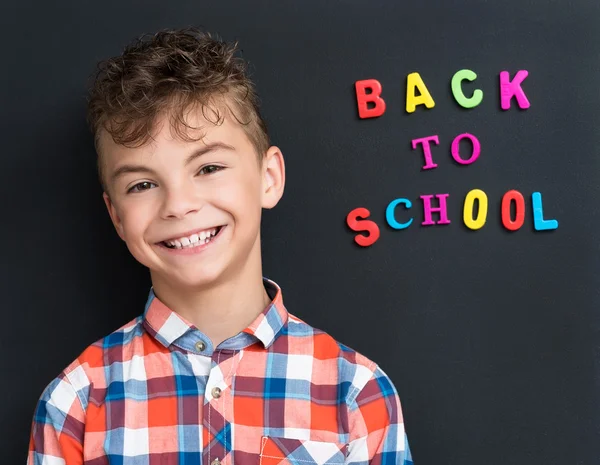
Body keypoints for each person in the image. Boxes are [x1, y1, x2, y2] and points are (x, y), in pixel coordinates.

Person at [26, 27, 414, 465]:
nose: (179, 205)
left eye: (208, 167)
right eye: (142, 184)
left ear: (268, 178)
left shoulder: (356, 393)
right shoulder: (75, 402)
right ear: (116, 215)